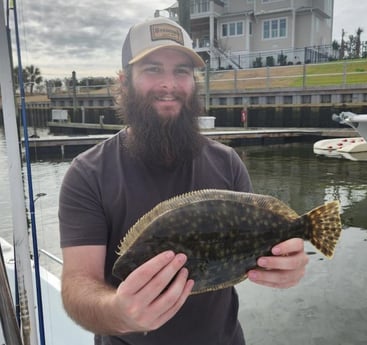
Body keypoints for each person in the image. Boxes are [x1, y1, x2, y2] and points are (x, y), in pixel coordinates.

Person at [59, 17, 309, 345]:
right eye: (152, 69)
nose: (169, 84)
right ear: (124, 82)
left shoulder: (228, 163)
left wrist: (286, 260)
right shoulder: (87, 175)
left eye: (181, 71)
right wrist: (118, 311)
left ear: (193, 82)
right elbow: (78, 284)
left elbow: (254, 249)